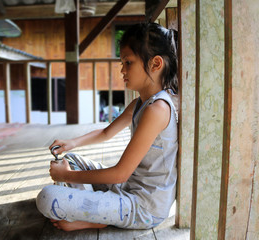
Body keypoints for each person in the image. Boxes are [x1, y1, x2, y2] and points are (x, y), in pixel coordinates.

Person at [36, 22, 178, 232]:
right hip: (127, 187)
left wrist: (65, 177)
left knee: (47, 198)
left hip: (144, 208)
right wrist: (72, 143)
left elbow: (120, 173)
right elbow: (106, 132)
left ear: (155, 64)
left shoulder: (157, 110)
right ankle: (98, 208)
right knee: (71, 159)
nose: (122, 70)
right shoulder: (141, 102)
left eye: (128, 62)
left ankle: (98, 216)